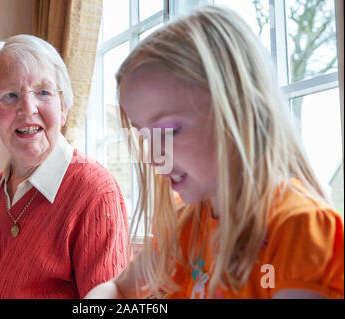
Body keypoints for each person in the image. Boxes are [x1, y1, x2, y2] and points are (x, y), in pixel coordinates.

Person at [85, 5, 344, 299]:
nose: (153, 157)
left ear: (240, 111)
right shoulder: (184, 226)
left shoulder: (299, 231)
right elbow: (117, 289)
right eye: (144, 135)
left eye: (169, 130)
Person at [0, 34, 129, 298]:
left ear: (64, 107)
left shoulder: (95, 192)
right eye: (10, 95)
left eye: (43, 92)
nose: (28, 108)